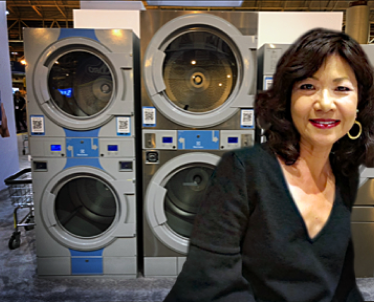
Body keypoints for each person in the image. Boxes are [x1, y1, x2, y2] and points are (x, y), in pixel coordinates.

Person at [163, 28, 374, 302]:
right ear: (288, 99)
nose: (325, 103)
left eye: (342, 88)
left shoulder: (343, 174)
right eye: (308, 86)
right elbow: (209, 285)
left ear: (359, 104)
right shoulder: (242, 170)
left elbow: (341, 285)